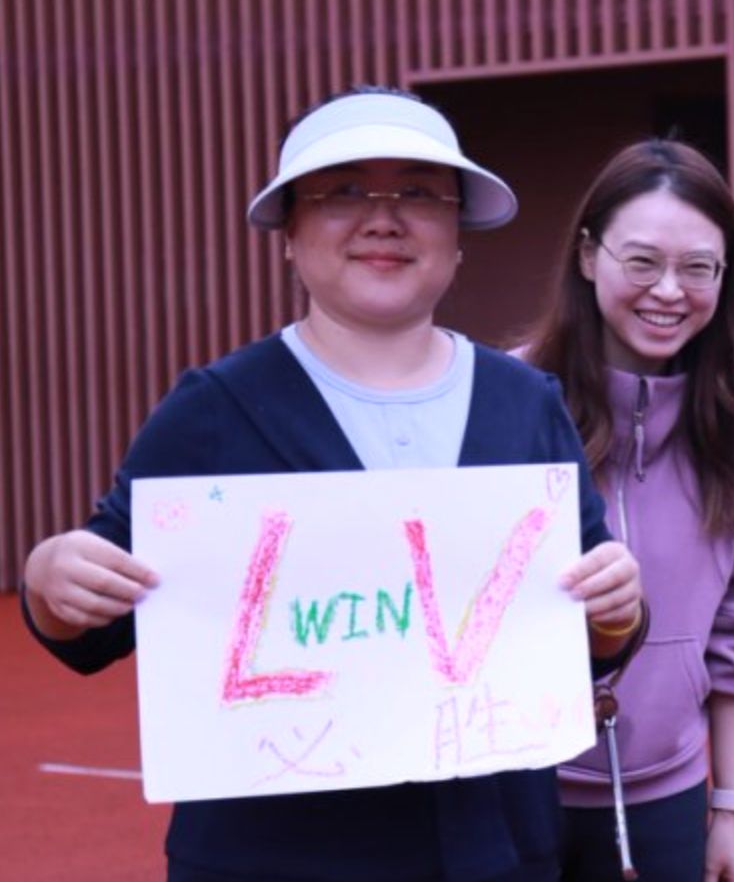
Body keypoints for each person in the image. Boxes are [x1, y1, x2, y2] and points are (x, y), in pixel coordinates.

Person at [20, 86, 644, 882]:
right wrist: (53, 579)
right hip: (267, 860)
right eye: (342, 191)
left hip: (490, 853)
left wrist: (617, 613)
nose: (383, 219)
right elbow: (94, 627)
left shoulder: (525, 403)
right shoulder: (213, 408)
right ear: (289, 235)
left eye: (419, 192)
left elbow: (580, 637)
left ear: (457, 235)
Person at [524, 140, 734, 882]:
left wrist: (729, 809)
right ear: (589, 255)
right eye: (642, 262)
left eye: (698, 267)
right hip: (514, 793)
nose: (669, 291)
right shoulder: (508, 403)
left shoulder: (733, 425)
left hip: (666, 798)